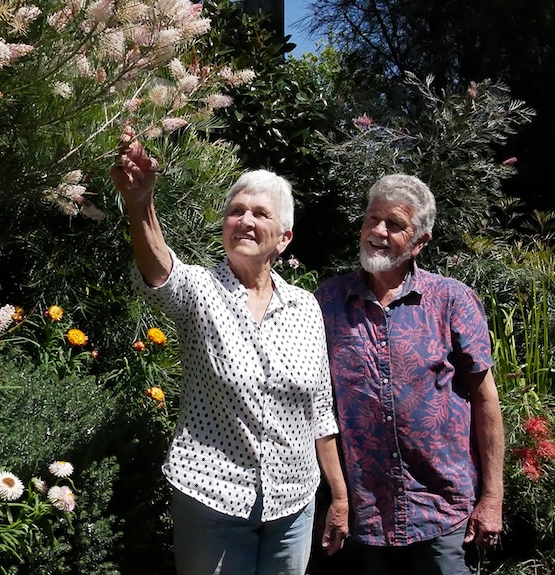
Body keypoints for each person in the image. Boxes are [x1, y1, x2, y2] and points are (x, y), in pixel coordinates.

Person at [110, 126, 349, 575]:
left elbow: (320, 410)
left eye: (260, 213)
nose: (246, 220)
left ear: (284, 238)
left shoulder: (305, 307)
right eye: (236, 211)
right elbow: (161, 270)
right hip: (212, 497)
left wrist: (338, 495)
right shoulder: (201, 290)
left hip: (294, 502)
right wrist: (140, 202)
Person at [314, 174, 505, 575]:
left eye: (395, 224)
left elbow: (486, 399)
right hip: (366, 516)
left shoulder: (451, 300)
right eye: (372, 219)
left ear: (420, 242)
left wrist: (492, 498)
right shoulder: (328, 301)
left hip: (442, 510)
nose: (378, 232)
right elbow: (316, 404)